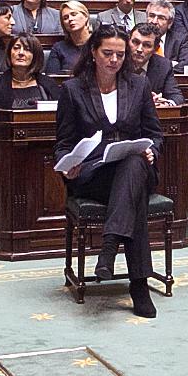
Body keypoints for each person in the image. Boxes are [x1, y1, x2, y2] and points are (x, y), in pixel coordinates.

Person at [56, 28, 162, 318]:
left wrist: (152, 150)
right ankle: (138, 284)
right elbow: (63, 143)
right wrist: (68, 166)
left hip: (138, 170)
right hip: (94, 176)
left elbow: (155, 134)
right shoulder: (73, 89)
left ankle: (109, 249)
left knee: (133, 164)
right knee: (132, 193)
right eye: (108, 53)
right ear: (93, 52)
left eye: (120, 54)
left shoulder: (139, 85)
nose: (115, 60)